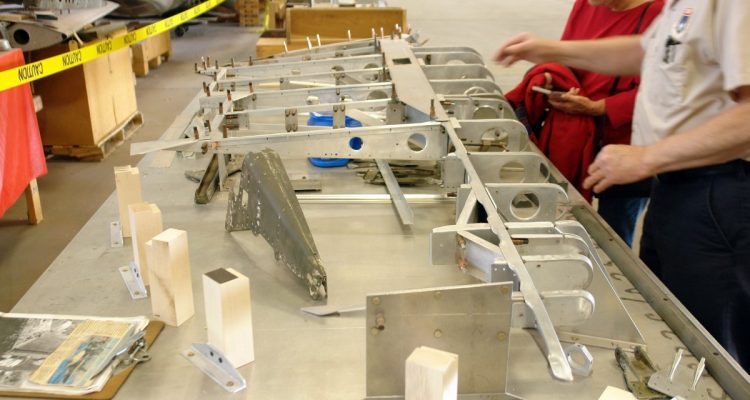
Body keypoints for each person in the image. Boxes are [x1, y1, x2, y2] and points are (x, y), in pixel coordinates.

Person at [496, 0, 750, 371]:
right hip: (677, 187)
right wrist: (550, 50)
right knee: (671, 328)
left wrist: (648, 156)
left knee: (714, 354)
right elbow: (645, 51)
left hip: (721, 190)